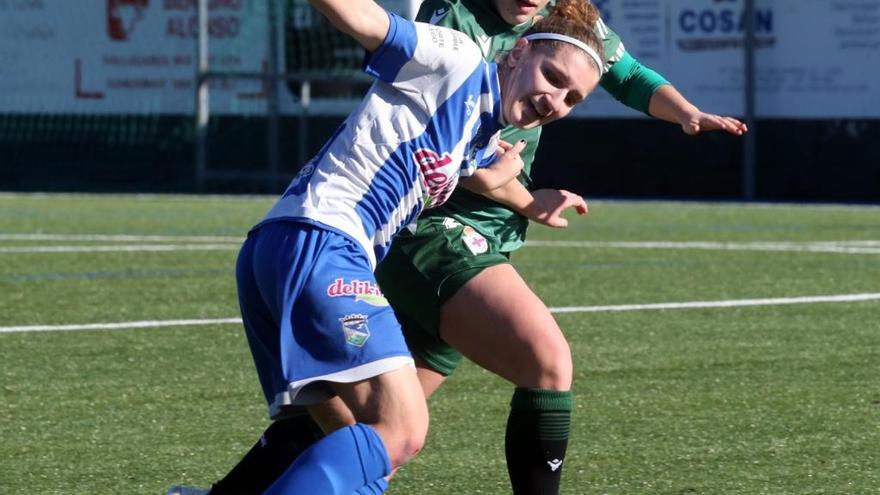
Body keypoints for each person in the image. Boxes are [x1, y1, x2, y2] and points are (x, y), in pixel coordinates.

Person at [168, 0, 749, 493]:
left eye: (571, 99)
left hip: (288, 249)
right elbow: (366, 22)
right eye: (552, 78)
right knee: (403, 427)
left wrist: (529, 199)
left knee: (359, 437)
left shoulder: (482, 129)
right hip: (321, 243)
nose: (555, 101)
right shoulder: (457, 53)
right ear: (518, 52)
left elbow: (486, 170)